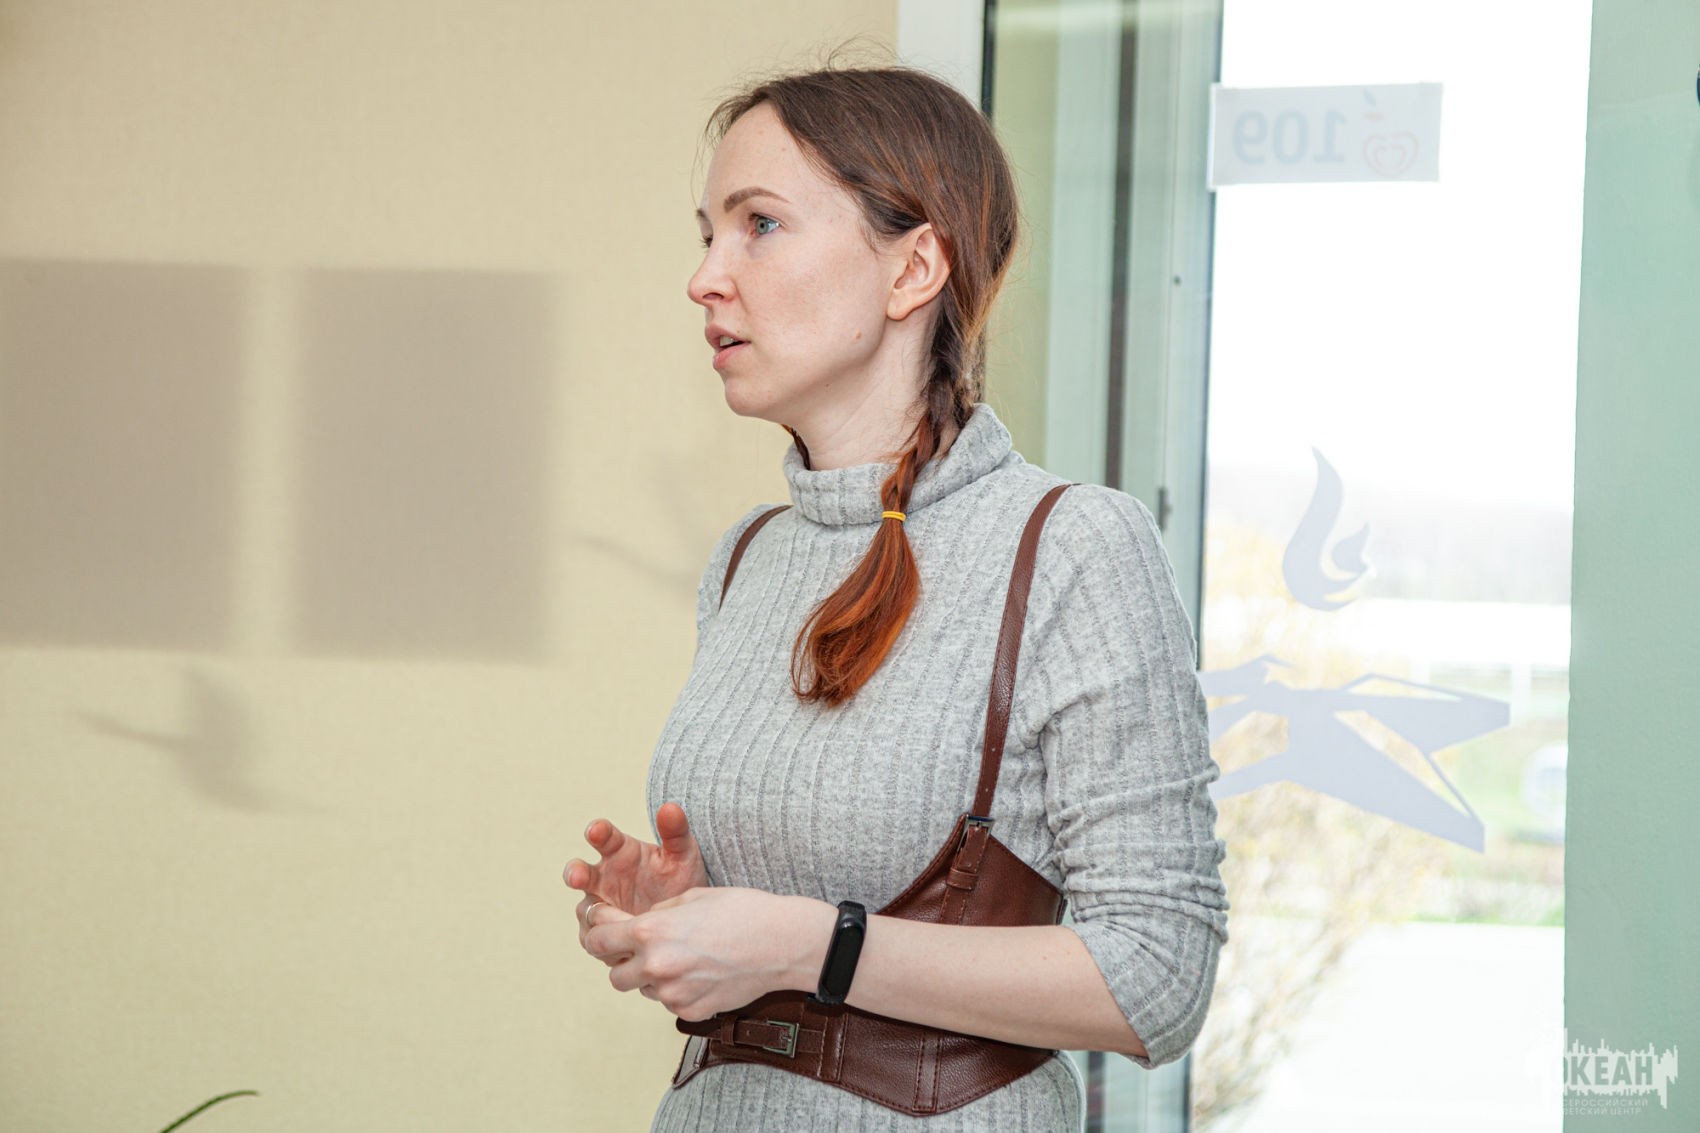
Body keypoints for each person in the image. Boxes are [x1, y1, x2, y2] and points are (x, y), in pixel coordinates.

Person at [563, 63, 1229, 1131]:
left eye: (759, 225)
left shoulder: (1072, 546)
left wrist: (809, 945)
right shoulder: (748, 556)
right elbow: (799, 909)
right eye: (707, 234)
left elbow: (1158, 972)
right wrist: (682, 913)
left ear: (913, 267)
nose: (705, 277)